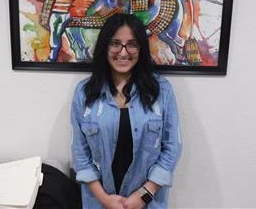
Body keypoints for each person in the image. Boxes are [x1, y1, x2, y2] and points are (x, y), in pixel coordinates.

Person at [71, 13, 182, 208]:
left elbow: (172, 147)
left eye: (132, 44)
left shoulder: (161, 90)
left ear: (141, 48)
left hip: (148, 202)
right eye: (115, 43)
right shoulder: (84, 92)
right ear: (105, 47)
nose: (123, 53)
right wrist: (105, 199)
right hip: (98, 201)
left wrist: (144, 195)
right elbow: (80, 153)